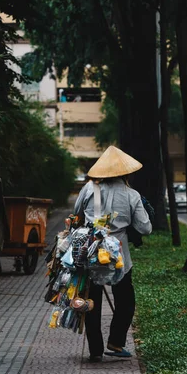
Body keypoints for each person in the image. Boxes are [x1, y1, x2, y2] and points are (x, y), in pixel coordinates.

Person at [73, 145, 152, 362]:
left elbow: (76, 215)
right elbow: (145, 228)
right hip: (120, 255)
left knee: (91, 300)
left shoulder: (89, 189)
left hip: (91, 251)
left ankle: (96, 350)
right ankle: (116, 341)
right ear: (125, 172)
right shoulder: (132, 195)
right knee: (126, 300)